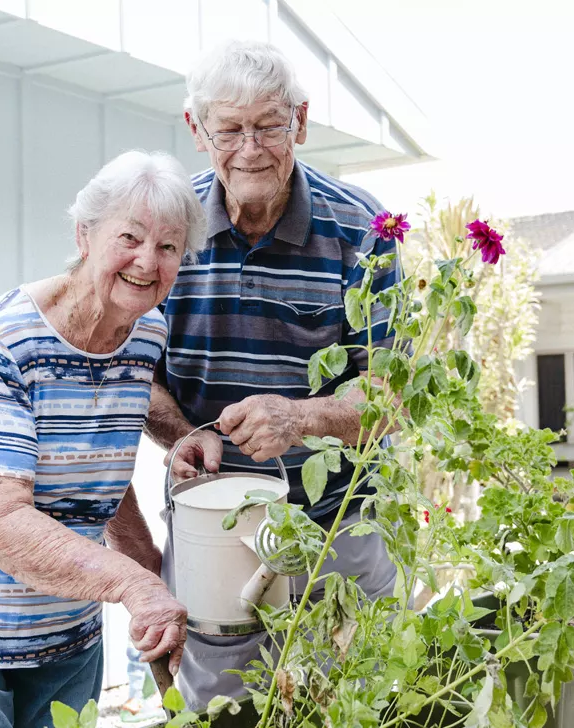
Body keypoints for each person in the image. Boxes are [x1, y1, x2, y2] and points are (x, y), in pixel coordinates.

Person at [0, 150, 205, 728]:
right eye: (129, 237)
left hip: (64, 632)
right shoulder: (6, 342)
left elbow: (99, 436)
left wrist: (179, 442)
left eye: (168, 247)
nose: (146, 261)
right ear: (84, 234)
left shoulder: (144, 330)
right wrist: (132, 583)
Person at [143, 40, 402, 710]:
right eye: (229, 128)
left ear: (303, 122)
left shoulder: (362, 233)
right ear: (197, 130)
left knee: (355, 707)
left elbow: (389, 393)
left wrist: (300, 418)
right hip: (211, 529)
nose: (250, 148)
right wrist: (186, 430)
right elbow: (130, 373)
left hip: (338, 527)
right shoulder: (166, 230)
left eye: (269, 125)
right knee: (222, 710)